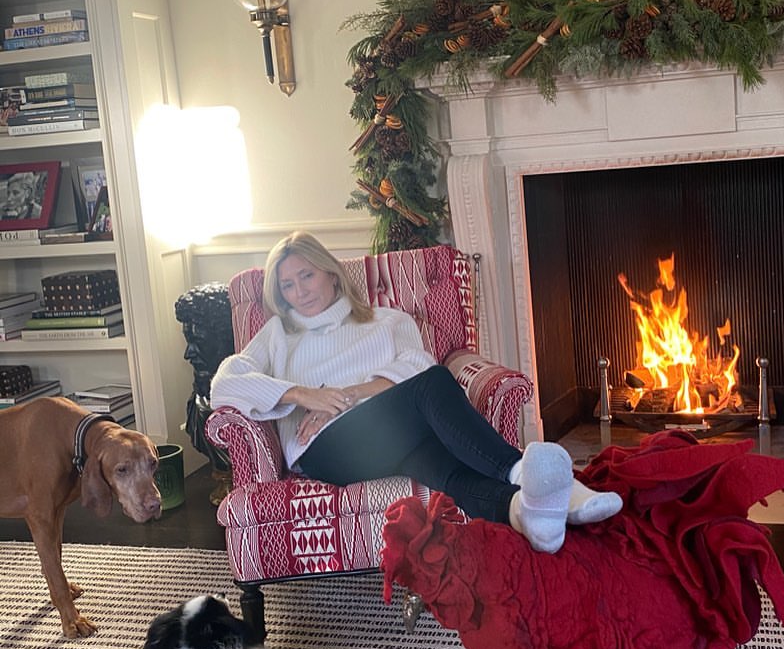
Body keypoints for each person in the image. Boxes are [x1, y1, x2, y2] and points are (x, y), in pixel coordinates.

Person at [210, 231, 622, 553]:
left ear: (330, 273)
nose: (299, 292)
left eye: (306, 276)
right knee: (434, 385)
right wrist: (303, 395)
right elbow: (225, 383)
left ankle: (525, 513)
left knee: (442, 467)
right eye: (287, 285)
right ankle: (534, 475)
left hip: (392, 437)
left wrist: (347, 396)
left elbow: (417, 363)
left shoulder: (387, 321)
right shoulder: (278, 335)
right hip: (327, 450)